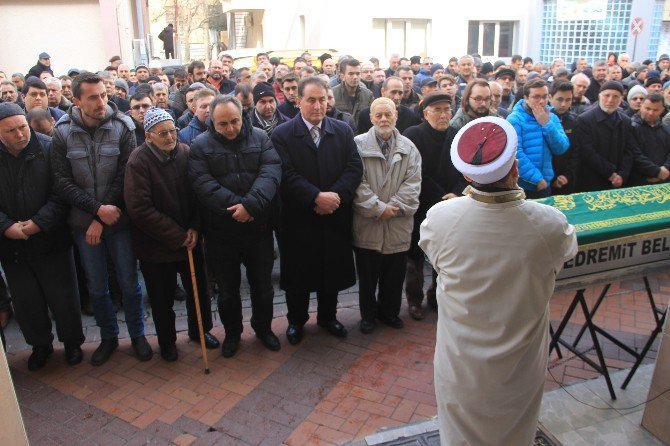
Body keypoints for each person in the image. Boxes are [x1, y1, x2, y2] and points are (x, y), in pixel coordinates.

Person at [420, 116, 577, 446]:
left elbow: (436, 257)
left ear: (466, 174)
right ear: (516, 169)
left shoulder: (439, 219)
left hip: (460, 363)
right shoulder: (550, 224)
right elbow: (565, 255)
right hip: (520, 366)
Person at [51, 72, 151, 366]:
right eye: (92, 97)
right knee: (96, 286)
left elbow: (127, 175)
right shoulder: (62, 132)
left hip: (118, 221)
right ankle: (108, 337)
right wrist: (96, 211)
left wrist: (105, 213)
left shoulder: (123, 127)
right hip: (84, 225)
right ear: (77, 99)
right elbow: (61, 181)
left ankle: (137, 334)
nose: (100, 102)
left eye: (103, 95)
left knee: (129, 281)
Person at [271, 77, 363, 345]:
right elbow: (284, 174)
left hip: (334, 214)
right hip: (299, 217)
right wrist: (314, 197)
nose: (318, 105)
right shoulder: (282, 134)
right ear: (298, 100)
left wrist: (335, 197)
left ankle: (327, 316)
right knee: (299, 273)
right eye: (311, 99)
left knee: (330, 270)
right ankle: (296, 321)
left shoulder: (342, 130)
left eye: (322, 99)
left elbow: (354, 167)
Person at [189, 95, 282, 357]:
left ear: (243, 117)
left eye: (234, 121)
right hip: (221, 233)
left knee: (262, 287)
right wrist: (237, 209)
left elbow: (271, 172)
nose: (230, 129)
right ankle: (232, 333)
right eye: (223, 124)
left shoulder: (261, 138)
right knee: (228, 292)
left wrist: (251, 206)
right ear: (212, 123)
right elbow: (203, 184)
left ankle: (263, 328)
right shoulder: (199, 145)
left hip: (258, 230)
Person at [124, 108, 218, 362]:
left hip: (191, 240)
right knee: (161, 298)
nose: (169, 137)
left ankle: (201, 330)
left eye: (172, 131)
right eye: (162, 133)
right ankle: (167, 342)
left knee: (199, 291)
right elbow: (139, 208)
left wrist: (194, 227)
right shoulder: (138, 161)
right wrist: (177, 235)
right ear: (148, 136)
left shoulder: (186, 153)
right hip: (156, 246)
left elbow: (200, 193)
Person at [0, 103, 85, 371]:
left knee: (63, 297)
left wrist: (38, 223)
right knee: (27, 301)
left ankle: (72, 343)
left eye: (22, 127)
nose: (20, 134)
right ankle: (40, 345)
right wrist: (6, 226)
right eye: (11, 131)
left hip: (51, 240)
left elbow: (62, 192)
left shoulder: (49, 148)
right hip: (12, 245)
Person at [352, 97, 421, 334]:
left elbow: (413, 184)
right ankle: (368, 316)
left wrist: (393, 206)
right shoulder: (357, 145)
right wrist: (378, 208)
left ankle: (389, 312)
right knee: (368, 278)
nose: (383, 119)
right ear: (371, 118)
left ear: (396, 116)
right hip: (368, 224)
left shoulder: (409, 148)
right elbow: (355, 183)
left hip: (398, 223)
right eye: (378, 115)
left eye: (388, 114)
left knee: (394, 275)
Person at [403, 92, 466, 320]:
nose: (443, 115)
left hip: (452, 206)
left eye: (446, 110)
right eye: (437, 110)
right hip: (422, 205)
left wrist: (457, 192)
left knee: (445, 257)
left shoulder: (457, 135)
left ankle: (436, 297)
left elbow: (466, 170)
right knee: (415, 259)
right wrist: (441, 196)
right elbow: (415, 172)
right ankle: (414, 300)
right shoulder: (413, 135)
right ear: (425, 113)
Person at [506, 78, 569, 198]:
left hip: (545, 182)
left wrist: (546, 125)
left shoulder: (552, 117)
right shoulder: (515, 119)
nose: (541, 101)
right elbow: (515, 153)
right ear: (526, 98)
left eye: (545, 97)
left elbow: (561, 148)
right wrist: (537, 178)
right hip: (523, 184)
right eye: (536, 97)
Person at [574, 81, 636, 192]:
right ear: (599, 96)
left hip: (618, 180)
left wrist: (622, 174)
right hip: (592, 179)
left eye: (615, 96)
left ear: (621, 99)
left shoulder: (625, 121)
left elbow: (629, 150)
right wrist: (610, 173)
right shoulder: (585, 119)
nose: (610, 100)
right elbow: (587, 151)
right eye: (607, 95)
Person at [629, 94, 670, 185]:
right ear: (641, 106)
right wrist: (656, 172)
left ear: (662, 110)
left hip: (664, 179)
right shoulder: (631, 127)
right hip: (638, 181)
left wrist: (666, 168)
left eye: (655, 110)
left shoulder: (666, 129)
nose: (651, 113)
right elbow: (634, 154)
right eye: (647, 109)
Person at [549, 79, 580, 195]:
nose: (563, 104)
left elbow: (576, 152)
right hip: (546, 179)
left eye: (568, 100)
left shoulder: (574, 121)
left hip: (566, 179)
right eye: (559, 99)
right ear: (550, 98)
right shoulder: (542, 120)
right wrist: (552, 178)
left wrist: (567, 175)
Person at [331, 59, 374, 124]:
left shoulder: (368, 95)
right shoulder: (332, 94)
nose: (355, 77)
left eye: (358, 73)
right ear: (342, 76)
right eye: (351, 74)